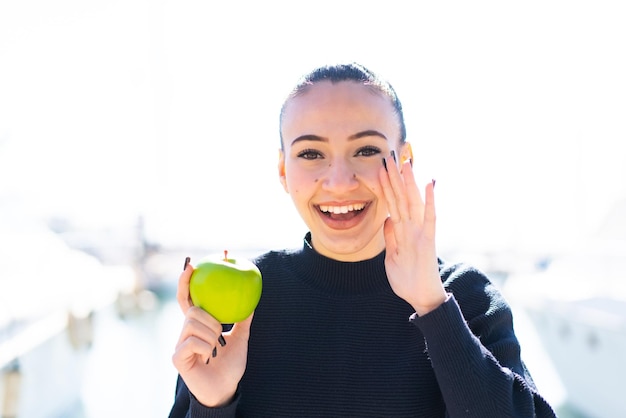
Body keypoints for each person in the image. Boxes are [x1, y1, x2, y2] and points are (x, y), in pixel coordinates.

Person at [168, 62, 557, 417]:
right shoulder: (243, 308)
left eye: (366, 150)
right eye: (310, 153)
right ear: (283, 171)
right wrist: (212, 404)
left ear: (405, 161)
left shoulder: (462, 296)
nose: (339, 182)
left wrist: (433, 308)